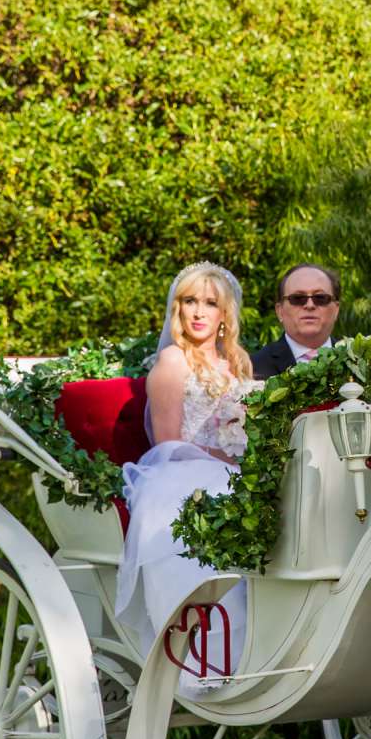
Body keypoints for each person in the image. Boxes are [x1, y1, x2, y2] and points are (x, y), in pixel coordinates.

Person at [114, 262, 254, 674]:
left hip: (235, 470)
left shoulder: (237, 365)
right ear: (177, 309)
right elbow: (169, 442)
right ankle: (200, 660)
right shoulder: (172, 363)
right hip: (180, 474)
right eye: (190, 301)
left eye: (210, 303)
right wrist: (223, 457)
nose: (198, 312)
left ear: (225, 314)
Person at [251, 263, 342, 378]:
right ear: (280, 311)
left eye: (320, 298)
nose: (310, 305)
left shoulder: (361, 363)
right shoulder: (252, 368)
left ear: (336, 309)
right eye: (298, 298)